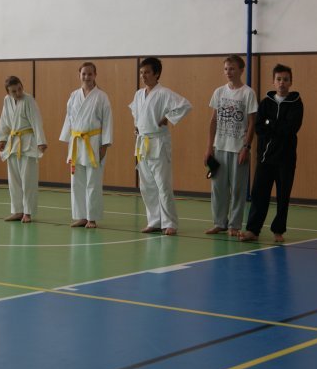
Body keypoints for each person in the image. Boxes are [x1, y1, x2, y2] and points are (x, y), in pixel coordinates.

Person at [240, 64, 303, 243]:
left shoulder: (296, 103)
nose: (282, 83)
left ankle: (278, 231)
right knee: (259, 195)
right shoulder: (265, 103)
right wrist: (275, 124)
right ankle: (253, 230)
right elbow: (259, 127)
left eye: (285, 79)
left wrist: (271, 123)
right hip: (265, 158)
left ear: (290, 82)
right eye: (279, 79)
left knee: (283, 197)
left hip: (286, 159)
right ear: (273, 81)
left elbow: (291, 128)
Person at [129, 57, 192, 236]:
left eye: (147, 72)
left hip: (158, 142)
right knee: (147, 185)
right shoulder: (139, 94)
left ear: (157, 74)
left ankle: (170, 222)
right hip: (143, 142)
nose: (144, 76)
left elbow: (185, 106)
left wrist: (167, 118)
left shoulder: (164, 93)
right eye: (142, 73)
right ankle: (154, 221)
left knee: (163, 185)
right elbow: (135, 112)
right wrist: (137, 125)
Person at [204, 55, 258, 237]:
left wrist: (246, 147)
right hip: (219, 147)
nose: (229, 72)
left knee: (237, 189)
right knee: (218, 188)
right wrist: (209, 147)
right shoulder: (219, 92)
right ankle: (219, 222)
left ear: (241, 70)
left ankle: (234, 224)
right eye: (226, 69)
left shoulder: (248, 93)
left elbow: (252, 123)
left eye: (232, 68)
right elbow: (213, 121)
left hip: (238, 149)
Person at [60, 62, 113, 228]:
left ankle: (92, 218)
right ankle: (81, 216)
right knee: (77, 182)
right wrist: (68, 141)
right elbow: (69, 118)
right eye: (84, 74)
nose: (86, 77)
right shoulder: (74, 95)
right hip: (77, 142)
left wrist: (105, 145)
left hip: (94, 142)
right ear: (79, 75)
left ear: (95, 75)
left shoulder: (102, 96)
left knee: (93, 182)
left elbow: (107, 121)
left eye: (90, 74)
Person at [0, 76, 47, 223]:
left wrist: (41, 141)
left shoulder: (29, 100)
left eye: (19, 89)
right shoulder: (7, 101)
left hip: (28, 143)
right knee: (14, 180)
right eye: (14, 91)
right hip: (13, 143)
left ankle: (28, 212)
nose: (18, 93)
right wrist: (2, 138)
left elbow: (36, 120)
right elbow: (4, 120)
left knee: (28, 180)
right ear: (8, 92)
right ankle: (17, 211)